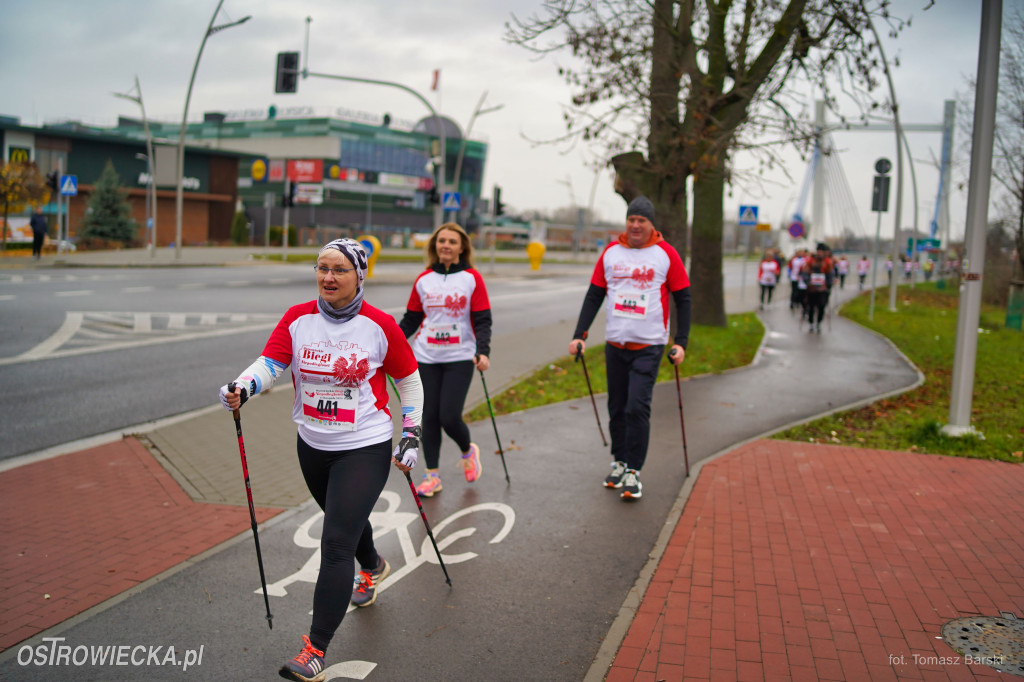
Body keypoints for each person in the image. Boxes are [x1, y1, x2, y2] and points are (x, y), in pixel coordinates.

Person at [219, 238, 423, 682]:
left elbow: (409, 382)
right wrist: (243, 386)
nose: (328, 277)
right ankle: (374, 565)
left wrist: (410, 435)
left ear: (359, 276)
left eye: (339, 270)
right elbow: (271, 363)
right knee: (342, 521)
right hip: (312, 445)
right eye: (322, 267)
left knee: (333, 545)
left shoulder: (379, 325)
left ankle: (314, 650)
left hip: (363, 445)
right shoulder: (298, 319)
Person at [568, 196, 691, 501]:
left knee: (637, 407)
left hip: (649, 345)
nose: (636, 225)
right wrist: (579, 334)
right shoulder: (611, 253)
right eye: (631, 220)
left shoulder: (666, 255)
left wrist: (681, 342)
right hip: (615, 344)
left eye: (642, 221)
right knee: (617, 408)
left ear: (652, 225)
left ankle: (634, 472)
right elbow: (594, 295)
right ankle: (619, 461)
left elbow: (684, 298)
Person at [399, 222, 492, 497]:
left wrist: (483, 351)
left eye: (452, 241)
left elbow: (483, 319)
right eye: (442, 241)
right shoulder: (424, 279)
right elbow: (412, 318)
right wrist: (391, 341)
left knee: (449, 416)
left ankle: (467, 451)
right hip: (426, 355)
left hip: (460, 356)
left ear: (462, 247)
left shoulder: (472, 278)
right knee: (429, 416)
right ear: (435, 246)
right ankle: (432, 476)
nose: (446, 246)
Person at [801, 242, 834, 333]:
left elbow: (830, 274)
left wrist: (829, 284)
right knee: (811, 306)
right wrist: (807, 282)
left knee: (822, 306)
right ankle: (811, 322)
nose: (820, 253)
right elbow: (805, 272)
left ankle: (819, 322)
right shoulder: (810, 261)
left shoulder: (828, 262)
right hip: (812, 288)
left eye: (822, 251)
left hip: (823, 289)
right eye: (818, 251)